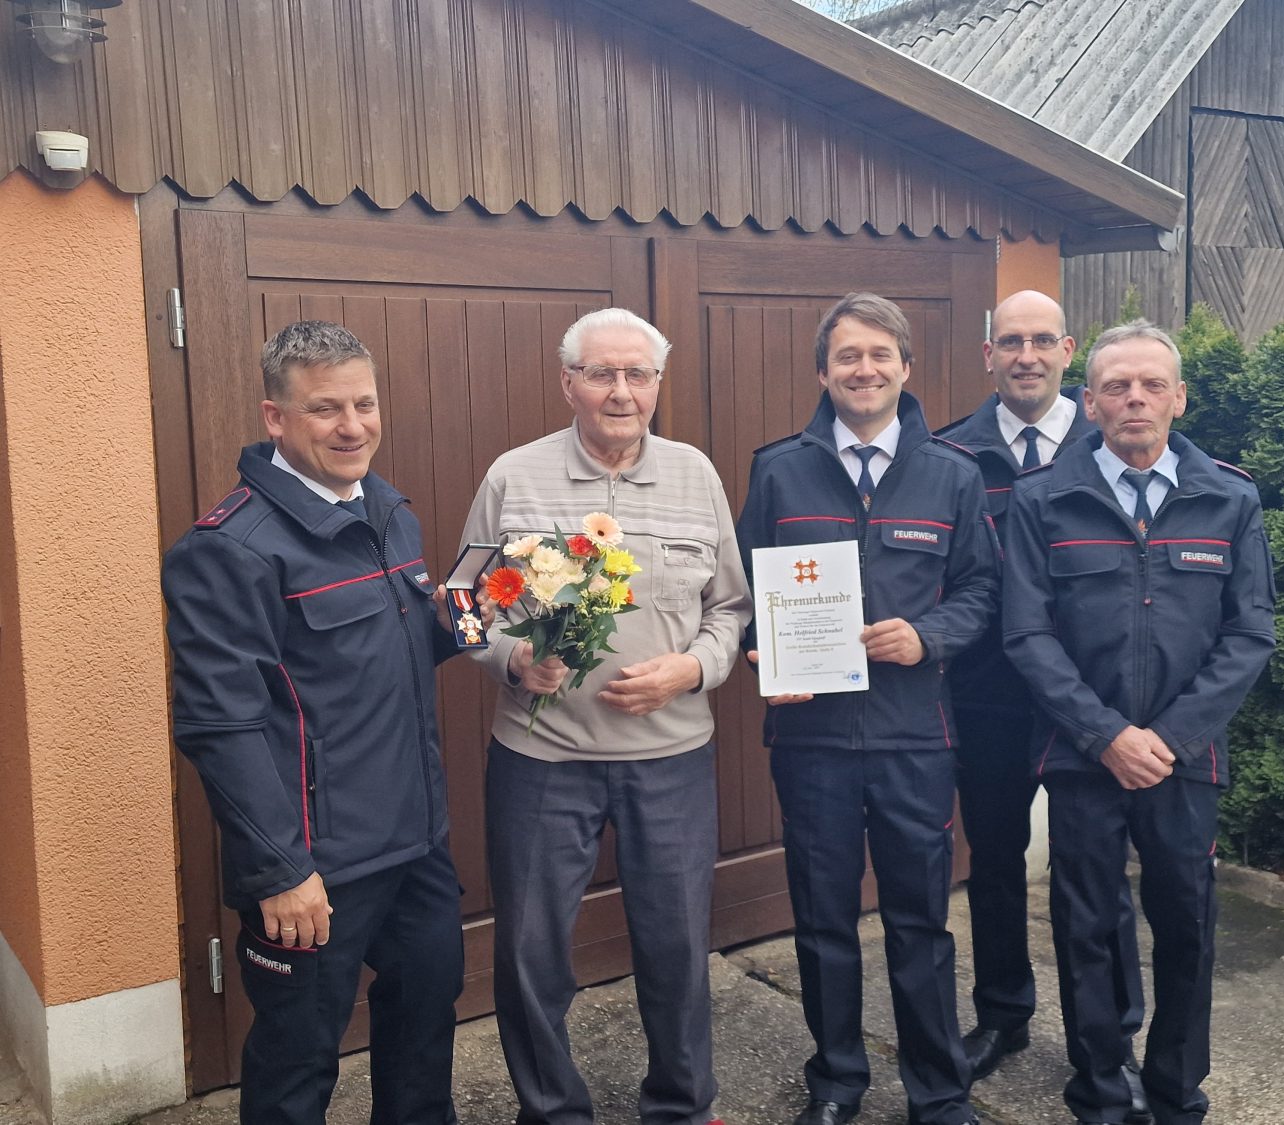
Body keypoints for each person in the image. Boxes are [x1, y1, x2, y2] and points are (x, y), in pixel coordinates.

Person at [161, 320, 475, 1124]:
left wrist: (479, 611)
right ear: (275, 418)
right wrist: (279, 871)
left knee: (423, 1035)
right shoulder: (231, 549)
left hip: (416, 841)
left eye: (365, 404)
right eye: (325, 409)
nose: (352, 426)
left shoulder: (387, 510)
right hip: (315, 867)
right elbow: (217, 723)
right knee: (298, 1067)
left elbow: (387, 656)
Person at [460, 307, 750, 1125]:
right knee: (530, 953)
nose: (620, 392)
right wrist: (513, 658)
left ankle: (683, 1107)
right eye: (601, 373)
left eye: (638, 374)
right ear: (569, 383)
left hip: (672, 757)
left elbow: (729, 606)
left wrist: (694, 666)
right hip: (541, 757)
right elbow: (462, 607)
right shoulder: (514, 476)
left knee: (677, 946)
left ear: (658, 383)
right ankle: (551, 1111)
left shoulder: (696, 475)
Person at [1003, 320, 1276, 1125]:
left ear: (1179, 397)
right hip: (1082, 752)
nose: (1134, 399)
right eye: (1117, 386)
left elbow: (1250, 630)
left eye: (1152, 384)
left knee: (1186, 928)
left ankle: (1175, 1088)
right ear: (1089, 403)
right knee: (1086, 928)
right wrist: (1106, 735)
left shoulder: (1230, 496)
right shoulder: (1041, 498)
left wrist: (1169, 737)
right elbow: (1027, 632)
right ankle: (1098, 1087)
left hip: (1185, 759)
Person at [737, 293, 999, 1125]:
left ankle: (939, 1089)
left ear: (906, 367)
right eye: (848, 356)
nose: (865, 369)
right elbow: (747, 590)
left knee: (920, 922)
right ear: (824, 371)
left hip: (914, 736)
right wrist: (762, 653)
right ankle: (838, 1080)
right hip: (810, 738)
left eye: (880, 354)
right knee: (822, 921)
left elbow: (983, 588)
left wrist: (927, 636)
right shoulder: (778, 469)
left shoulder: (953, 473)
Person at [937, 292, 1147, 1120]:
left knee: (1095, 878)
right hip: (986, 695)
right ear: (987, 354)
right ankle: (1002, 1015)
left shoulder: (1116, 446)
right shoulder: (950, 452)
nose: (1026, 355)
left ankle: (1111, 1042)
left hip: (1089, 701)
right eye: (1009, 341)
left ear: (1068, 352)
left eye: (1041, 342)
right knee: (991, 863)